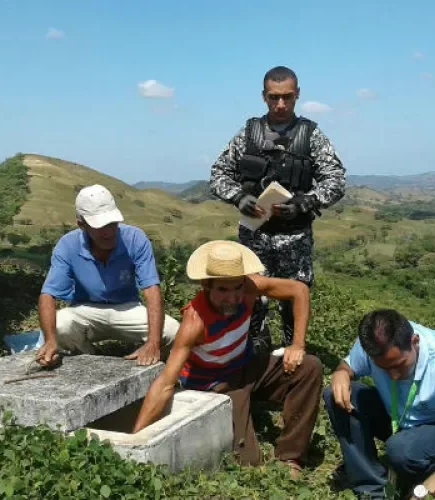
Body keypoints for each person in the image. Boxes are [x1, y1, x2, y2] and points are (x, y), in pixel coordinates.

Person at [131, 240, 324, 479]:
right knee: (248, 461)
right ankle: (242, 418)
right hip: (216, 384)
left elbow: (299, 290)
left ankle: (291, 456)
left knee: (309, 367)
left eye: (237, 287)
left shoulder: (250, 287)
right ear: (206, 286)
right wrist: (136, 438)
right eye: (223, 290)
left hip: (246, 365)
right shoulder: (194, 322)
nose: (232, 297)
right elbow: (166, 383)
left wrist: (297, 345)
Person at [208, 65, 346, 354]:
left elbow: (336, 179)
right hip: (254, 234)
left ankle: (293, 358)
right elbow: (219, 173)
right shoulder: (249, 133)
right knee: (250, 298)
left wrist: (308, 200)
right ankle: (251, 359)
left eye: (287, 97)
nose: (280, 104)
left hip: (294, 236)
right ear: (263, 97)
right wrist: (237, 197)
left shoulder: (311, 135)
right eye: (273, 97)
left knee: (294, 299)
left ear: (297, 96)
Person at [324, 309, 435, 500]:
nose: (394, 376)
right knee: (337, 394)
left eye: (399, 365)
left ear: (415, 342)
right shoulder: (373, 343)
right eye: (384, 368)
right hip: (399, 417)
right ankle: (371, 490)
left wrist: (423, 493)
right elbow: (347, 366)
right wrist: (341, 373)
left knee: (402, 449)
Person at [35, 184, 180, 368]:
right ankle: (90, 361)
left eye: (112, 223)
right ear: (82, 225)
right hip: (85, 308)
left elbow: (151, 290)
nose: (109, 232)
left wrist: (153, 342)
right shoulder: (68, 246)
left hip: (127, 308)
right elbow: (48, 294)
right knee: (60, 326)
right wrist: (50, 341)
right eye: (100, 226)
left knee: (172, 330)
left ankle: (154, 365)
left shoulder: (135, 239)